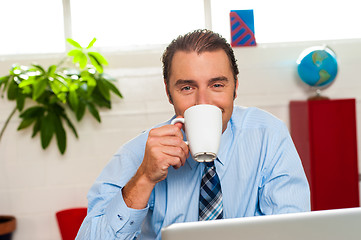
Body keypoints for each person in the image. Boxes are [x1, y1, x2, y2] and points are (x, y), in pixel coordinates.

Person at [76, 29, 310, 239]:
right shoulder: (137, 153)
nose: (203, 102)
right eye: (187, 88)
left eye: (217, 85)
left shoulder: (268, 135)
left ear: (235, 87)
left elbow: (294, 230)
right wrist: (144, 178)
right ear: (169, 93)